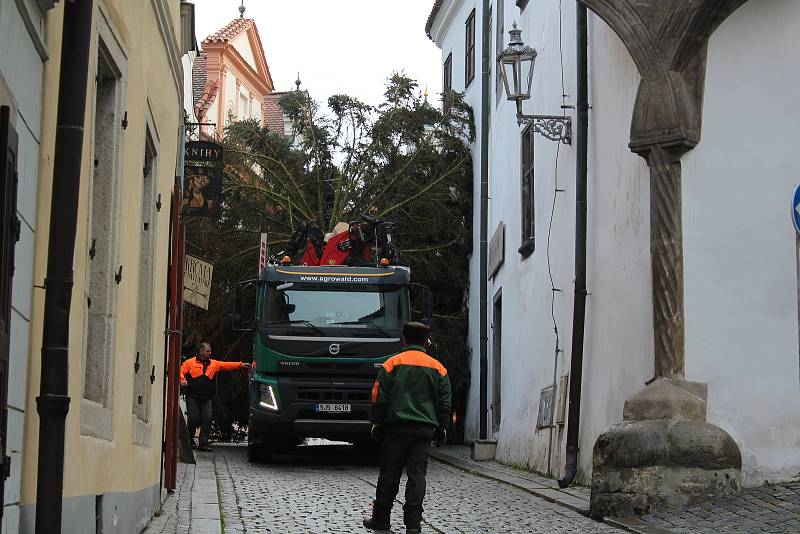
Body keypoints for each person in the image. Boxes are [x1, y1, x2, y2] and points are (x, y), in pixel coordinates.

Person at [363, 322, 452, 534]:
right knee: (417, 475)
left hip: (396, 429)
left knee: (389, 474)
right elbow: (445, 403)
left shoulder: (391, 364)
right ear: (425, 341)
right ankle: (413, 524)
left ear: (404, 338)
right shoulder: (438, 368)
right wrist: (442, 428)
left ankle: (381, 520)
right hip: (424, 431)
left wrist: (377, 424)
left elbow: (378, 399)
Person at [180, 342, 251, 451]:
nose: (210, 353)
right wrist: (183, 380)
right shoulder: (189, 363)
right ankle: (189, 440)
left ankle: (203, 443)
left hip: (207, 397)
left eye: (210, 351)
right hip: (192, 396)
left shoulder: (213, 363)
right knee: (193, 418)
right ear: (201, 351)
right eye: (208, 351)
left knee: (208, 418)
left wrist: (240, 365)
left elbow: (226, 365)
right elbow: (180, 371)